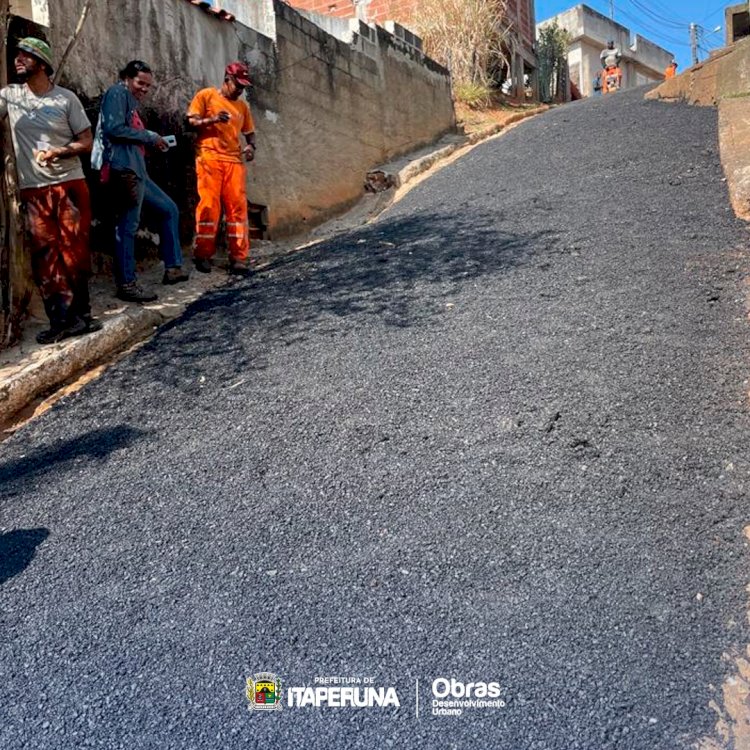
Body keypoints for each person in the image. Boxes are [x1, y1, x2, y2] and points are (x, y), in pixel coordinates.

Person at [0, 37, 102, 344]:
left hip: (69, 186)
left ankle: (81, 317)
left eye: (25, 55)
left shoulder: (65, 99)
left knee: (74, 253)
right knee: (45, 257)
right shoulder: (11, 96)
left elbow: (87, 141)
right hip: (34, 190)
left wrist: (60, 151)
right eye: (17, 54)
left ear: (42, 63)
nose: (18, 59)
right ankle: (60, 320)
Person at [99, 60, 188, 303]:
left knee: (168, 209)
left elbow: (128, 135)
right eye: (141, 83)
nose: (144, 89)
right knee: (128, 227)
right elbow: (114, 128)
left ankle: (173, 268)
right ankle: (127, 284)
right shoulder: (118, 92)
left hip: (138, 170)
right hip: (125, 170)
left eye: (148, 85)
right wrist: (149, 136)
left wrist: (153, 143)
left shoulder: (130, 102)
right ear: (127, 78)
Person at [187, 61, 256, 276]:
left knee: (237, 208)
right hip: (209, 158)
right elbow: (191, 121)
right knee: (209, 205)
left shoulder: (242, 107)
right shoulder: (206, 96)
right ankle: (203, 254)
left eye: (243, 87)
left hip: (234, 161)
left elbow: (250, 132)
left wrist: (252, 146)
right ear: (227, 80)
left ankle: (239, 258)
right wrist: (213, 119)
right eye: (238, 86)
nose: (240, 91)